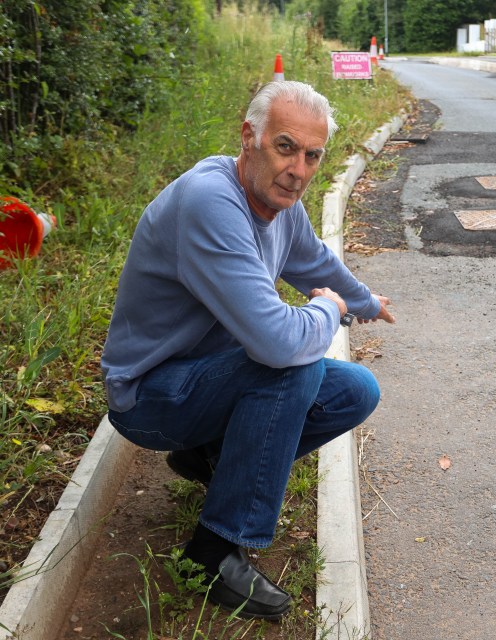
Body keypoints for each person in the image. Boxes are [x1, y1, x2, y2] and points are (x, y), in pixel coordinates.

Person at [101, 80, 395, 620]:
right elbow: (280, 342)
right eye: (286, 147)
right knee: (292, 363)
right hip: (150, 396)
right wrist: (328, 311)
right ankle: (213, 551)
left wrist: (363, 301)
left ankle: (204, 456)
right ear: (249, 137)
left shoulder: (279, 203)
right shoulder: (211, 202)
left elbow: (315, 265)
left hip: (205, 381)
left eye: (313, 155)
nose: (299, 170)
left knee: (356, 390)